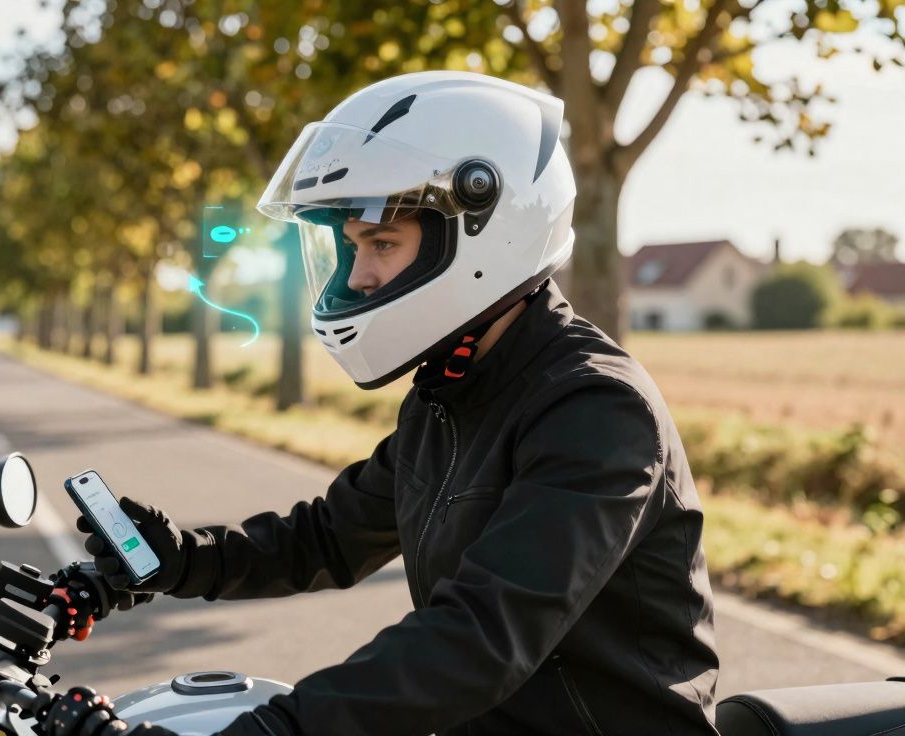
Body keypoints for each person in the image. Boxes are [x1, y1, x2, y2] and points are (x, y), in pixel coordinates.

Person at [50, 71, 720, 736]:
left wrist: (278, 731)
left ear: (484, 224)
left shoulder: (596, 409)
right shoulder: (450, 390)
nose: (360, 275)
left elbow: (480, 638)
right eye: (352, 249)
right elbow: (326, 537)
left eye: (382, 244)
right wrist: (179, 559)